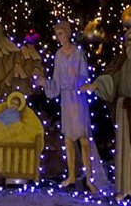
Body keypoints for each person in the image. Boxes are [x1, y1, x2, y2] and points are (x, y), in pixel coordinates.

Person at [80, 27, 131, 203]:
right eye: (128, 40)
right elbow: (110, 80)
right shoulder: (120, 62)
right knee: (123, 150)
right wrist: (95, 86)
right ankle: (122, 189)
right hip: (123, 112)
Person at [36, 20, 99, 193]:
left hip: (78, 98)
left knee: (84, 140)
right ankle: (71, 175)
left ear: (68, 33)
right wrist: (45, 84)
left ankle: (89, 178)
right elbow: (56, 82)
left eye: (61, 33)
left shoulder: (78, 53)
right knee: (69, 139)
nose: (59, 37)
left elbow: (85, 76)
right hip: (66, 99)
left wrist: (77, 77)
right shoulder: (58, 55)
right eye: (57, 34)